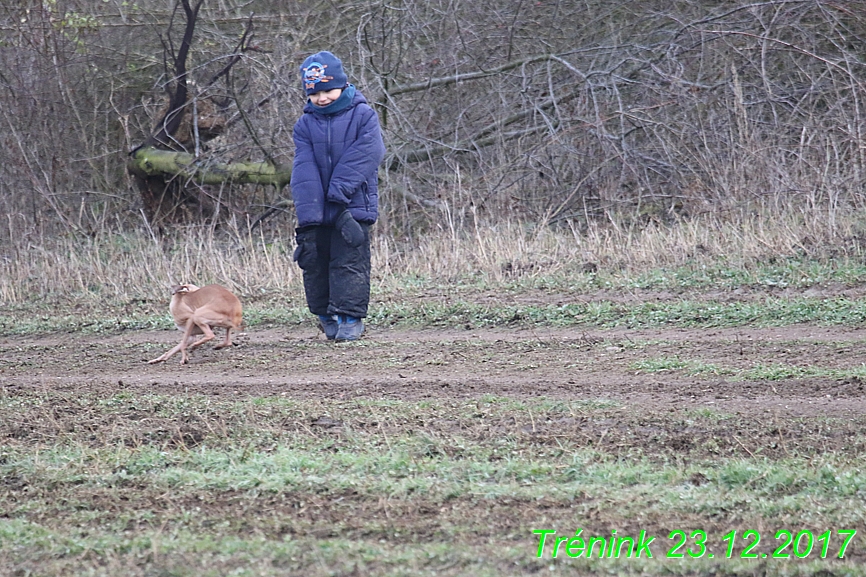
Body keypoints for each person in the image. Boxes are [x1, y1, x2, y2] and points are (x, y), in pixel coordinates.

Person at [290, 51, 386, 341]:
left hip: (352, 206)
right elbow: (303, 168)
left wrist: (338, 192)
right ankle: (325, 315)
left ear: (343, 86)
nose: (322, 98)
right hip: (318, 210)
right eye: (314, 93)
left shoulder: (363, 115)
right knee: (315, 262)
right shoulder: (304, 125)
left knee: (349, 262)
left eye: (327, 90)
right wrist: (309, 213)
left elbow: (369, 153)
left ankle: (350, 318)